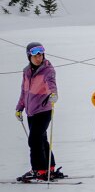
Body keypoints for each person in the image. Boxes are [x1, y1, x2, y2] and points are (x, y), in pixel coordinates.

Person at [15, 42, 63, 181]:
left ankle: (38, 170)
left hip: (44, 110)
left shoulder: (48, 70)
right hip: (31, 112)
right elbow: (24, 92)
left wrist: (54, 94)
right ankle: (50, 167)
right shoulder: (26, 72)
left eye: (40, 55)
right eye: (35, 55)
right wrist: (19, 108)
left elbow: (51, 84)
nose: (38, 58)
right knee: (41, 139)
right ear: (29, 56)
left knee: (34, 140)